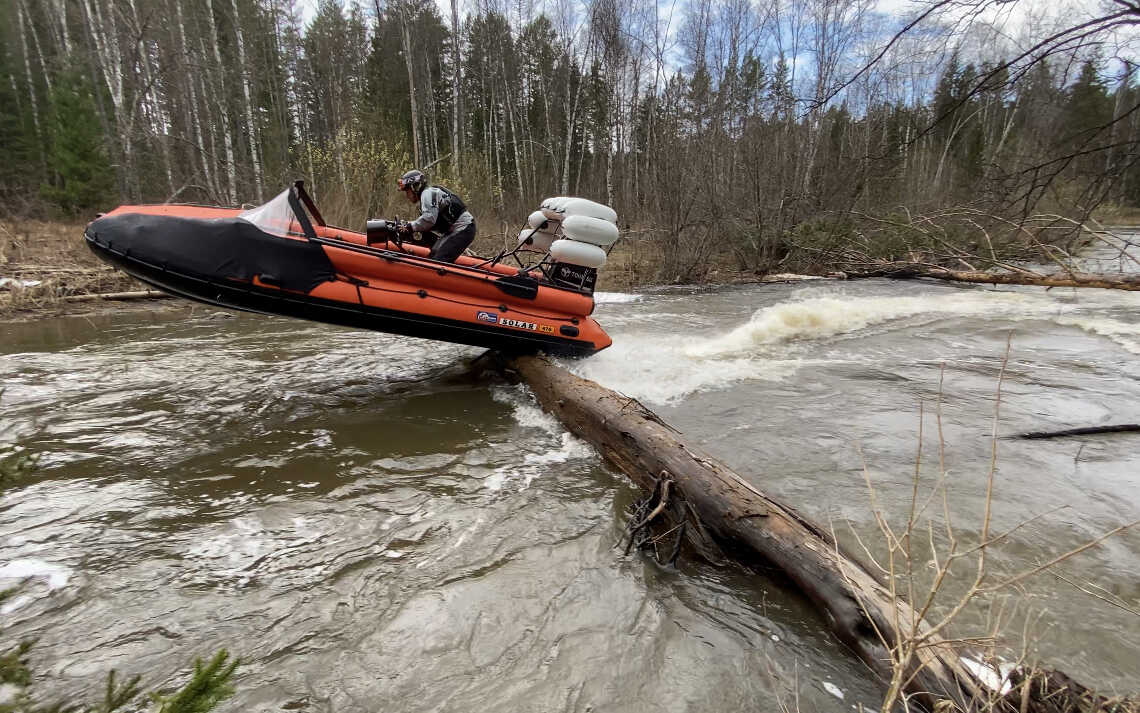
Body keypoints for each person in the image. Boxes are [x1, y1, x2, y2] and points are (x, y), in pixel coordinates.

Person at [396, 170, 476, 263]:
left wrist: (409, 226)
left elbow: (429, 219)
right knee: (434, 254)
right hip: (456, 230)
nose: (407, 195)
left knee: (438, 261)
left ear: (415, 187)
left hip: (463, 228)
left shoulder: (427, 194)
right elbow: (428, 221)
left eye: (407, 191)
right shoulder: (428, 195)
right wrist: (409, 225)